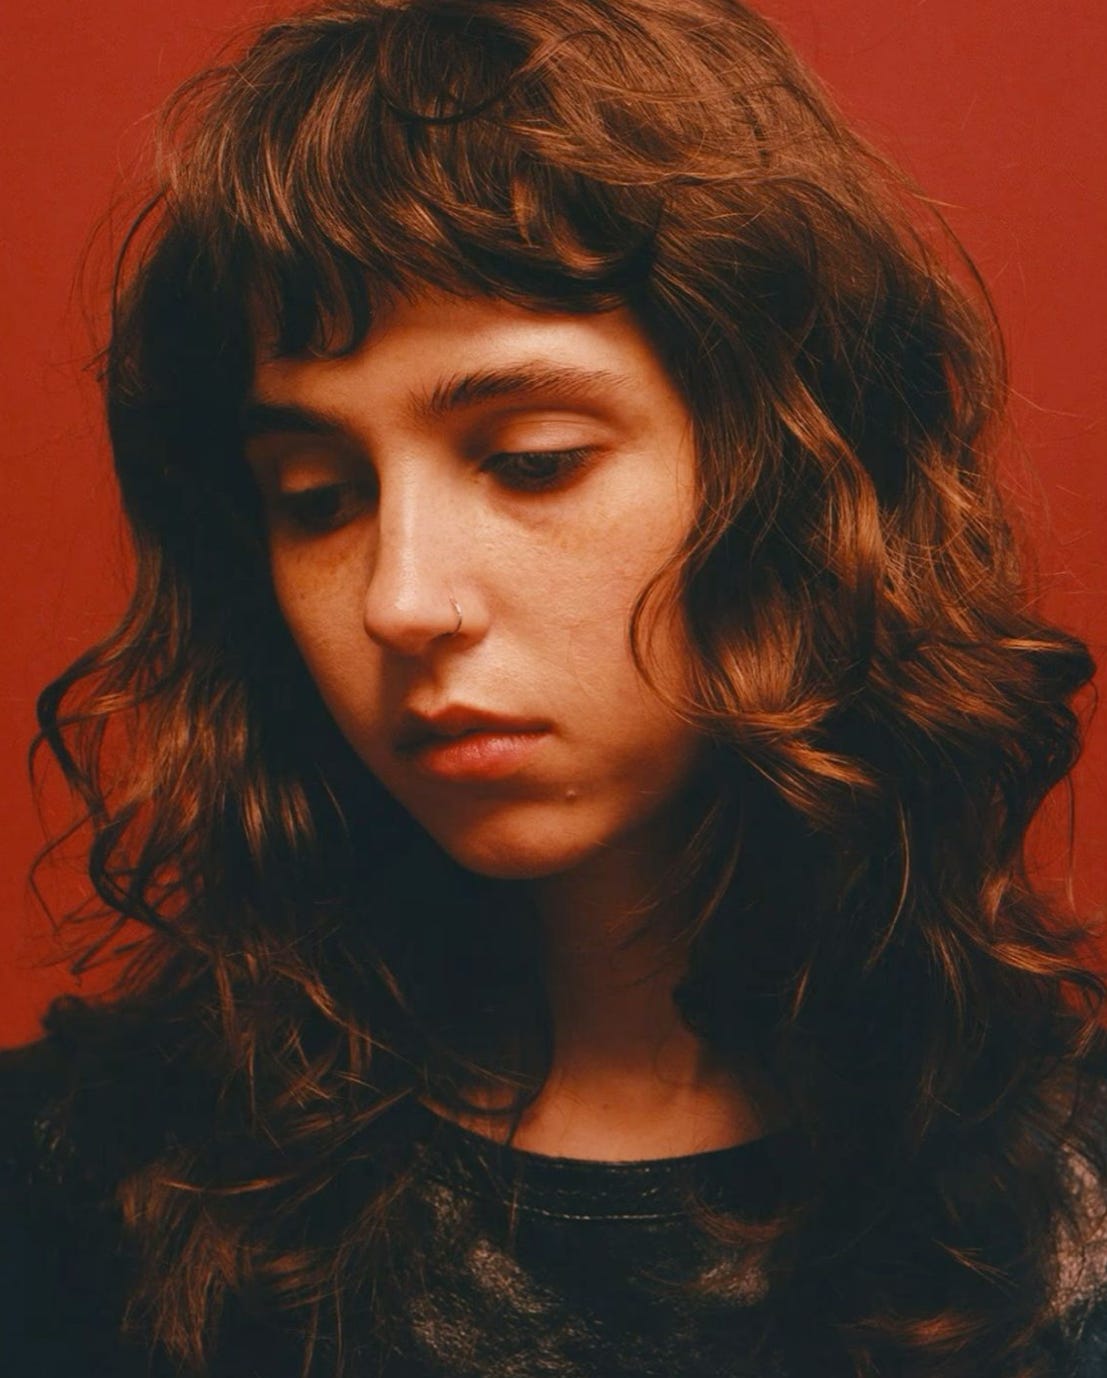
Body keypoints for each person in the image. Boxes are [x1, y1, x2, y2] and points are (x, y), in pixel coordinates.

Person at [2, 0, 1105, 1374]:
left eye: (532, 461)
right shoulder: (75, 1190)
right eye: (319, 495)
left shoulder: (1068, 1213)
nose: (401, 599)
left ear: (797, 483)